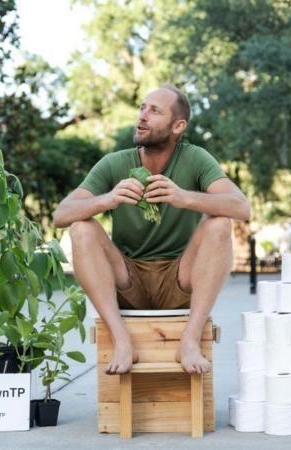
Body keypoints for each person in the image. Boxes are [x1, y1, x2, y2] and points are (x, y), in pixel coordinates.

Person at [52, 85, 250, 375]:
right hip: (127, 279)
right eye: (142, 108)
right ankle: (121, 340)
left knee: (219, 223)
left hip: (179, 279)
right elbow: (61, 215)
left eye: (154, 111)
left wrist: (184, 197)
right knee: (81, 228)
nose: (142, 116)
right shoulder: (115, 163)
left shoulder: (195, 159)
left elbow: (241, 207)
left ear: (178, 126)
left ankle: (190, 340)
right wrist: (107, 200)